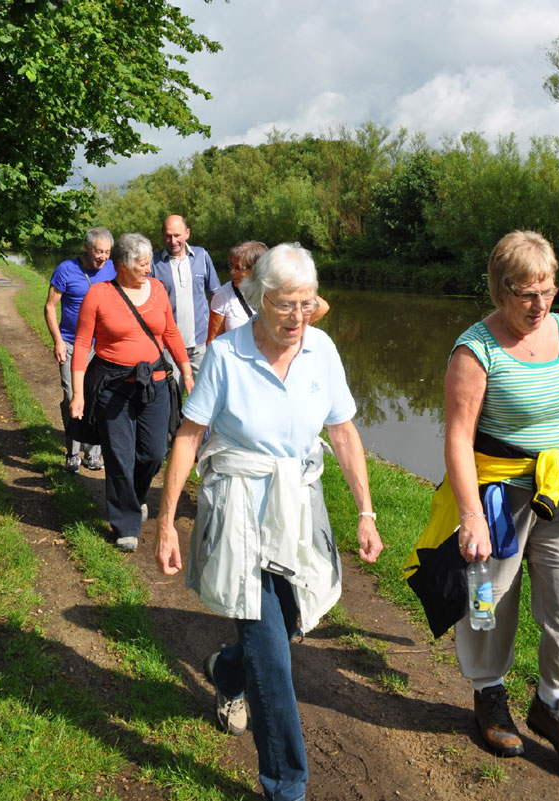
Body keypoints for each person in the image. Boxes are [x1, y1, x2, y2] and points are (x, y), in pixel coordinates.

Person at [155, 243, 383, 801]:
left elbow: (344, 433)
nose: (297, 318)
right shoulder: (226, 355)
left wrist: (366, 511)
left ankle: (228, 670)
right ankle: (286, 783)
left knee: (288, 623)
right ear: (257, 299)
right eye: (285, 305)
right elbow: (188, 438)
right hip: (237, 507)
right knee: (274, 654)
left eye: (307, 304)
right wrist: (166, 523)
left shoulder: (322, 350)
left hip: (299, 504)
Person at [443, 231, 559, 768]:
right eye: (525, 295)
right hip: (496, 497)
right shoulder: (475, 349)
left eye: (548, 291)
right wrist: (470, 516)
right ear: (499, 290)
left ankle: (554, 702)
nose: (540, 306)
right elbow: (458, 439)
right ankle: (489, 692)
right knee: (488, 603)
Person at [70, 233, 194, 553]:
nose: (148, 269)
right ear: (121, 265)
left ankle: (136, 497)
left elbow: (170, 332)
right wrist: (79, 393)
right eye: (141, 264)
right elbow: (83, 345)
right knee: (119, 455)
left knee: (153, 452)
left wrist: (188, 373)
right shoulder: (99, 295)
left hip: (154, 382)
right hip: (113, 387)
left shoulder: (157, 290)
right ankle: (125, 523)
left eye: (149, 262)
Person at [44, 227, 116, 473]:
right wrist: (57, 341)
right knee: (71, 396)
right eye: (98, 251)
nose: (103, 257)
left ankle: (93, 453)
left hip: (102, 346)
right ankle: (73, 452)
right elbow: (50, 307)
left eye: (107, 252)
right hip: (72, 344)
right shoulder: (66, 269)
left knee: (98, 397)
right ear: (86, 248)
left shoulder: (111, 268)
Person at [207, 241, 331, 343]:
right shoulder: (223, 295)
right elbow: (212, 340)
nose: (232, 272)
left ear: (257, 269)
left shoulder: (276, 290)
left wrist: (292, 329)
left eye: (238, 268)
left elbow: (322, 307)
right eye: (231, 266)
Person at [151, 214, 220, 378]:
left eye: (177, 235)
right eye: (168, 236)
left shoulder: (202, 256)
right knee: (172, 397)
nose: (173, 241)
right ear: (162, 235)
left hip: (200, 344)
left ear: (187, 233)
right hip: (168, 346)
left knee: (203, 396)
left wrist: (215, 336)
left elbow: (216, 296)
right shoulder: (152, 262)